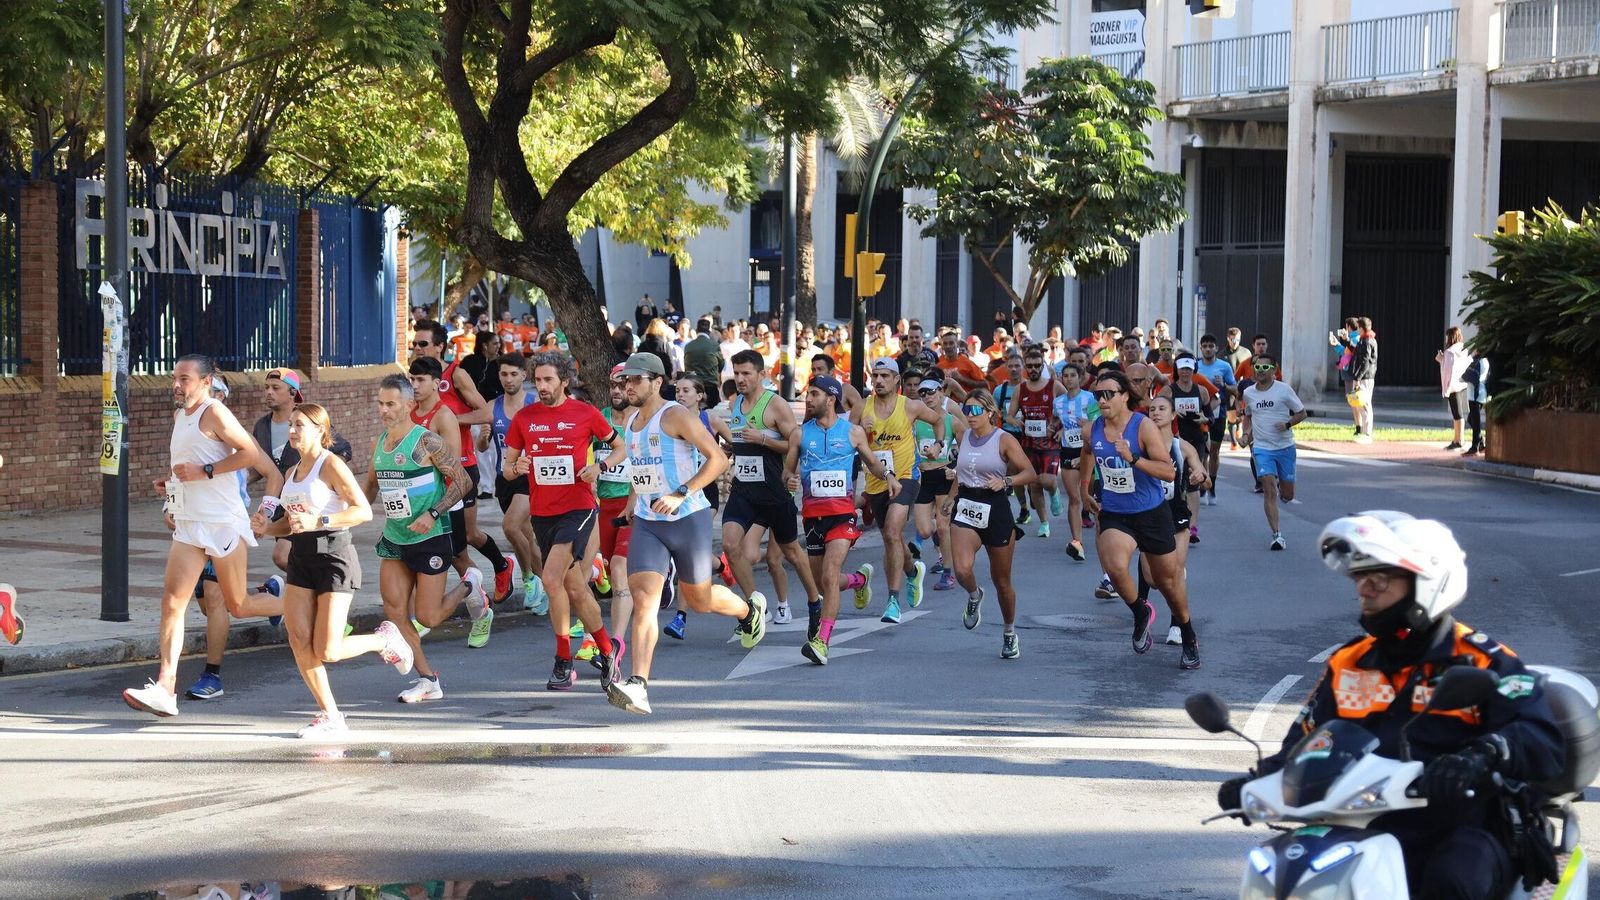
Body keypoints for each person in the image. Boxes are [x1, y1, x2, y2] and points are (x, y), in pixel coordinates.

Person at [1217, 511, 1565, 900]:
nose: (1364, 590)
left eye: (1378, 579)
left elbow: (1541, 739)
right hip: (1359, 824)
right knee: (1285, 872)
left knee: (1451, 880)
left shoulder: (1483, 661)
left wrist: (1482, 755)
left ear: (1427, 582)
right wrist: (1256, 781)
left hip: (1460, 825)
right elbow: (1303, 744)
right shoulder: (1348, 662)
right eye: (1359, 579)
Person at [607, 353, 767, 715]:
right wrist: (633, 502)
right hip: (648, 522)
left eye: (635, 380)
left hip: (687, 518)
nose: (627, 386)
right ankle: (638, 684)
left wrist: (681, 493)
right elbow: (640, 468)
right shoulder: (631, 421)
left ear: (656, 382)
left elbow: (718, 459)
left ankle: (748, 611)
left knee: (699, 600)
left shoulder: (676, 416)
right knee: (644, 599)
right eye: (624, 381)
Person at [124, 356, 274, 718]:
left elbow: (250, 454)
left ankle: (303, 604)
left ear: (206, 382)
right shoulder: (181, 415)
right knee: (172, 602)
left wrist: (206, 470)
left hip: (222, 522)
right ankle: (166, 687)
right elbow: (188, 466)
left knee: (239, 605)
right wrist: (171, 485)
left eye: (185, 379)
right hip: (190, 523)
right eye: (174, 378)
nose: (177, 385)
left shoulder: (215, 412)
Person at [247, 404, 407, 737]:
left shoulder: (330, 464)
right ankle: (330, 715)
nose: (292, 431)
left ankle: (383, 639)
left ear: (321, 430)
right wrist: (267, 528)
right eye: (291, 425)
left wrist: (318, 520)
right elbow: (289, 524)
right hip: (301, 560)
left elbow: (362, 510)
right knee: (297, 638)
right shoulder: (292, 473)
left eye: (300, 425)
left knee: (329, 650)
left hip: (334, 558)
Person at [504, 351, 626, 692]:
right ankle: (608, 650)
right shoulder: (525, 418)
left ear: (565, 381)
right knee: (575, 588)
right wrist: (517, 467)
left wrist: (599, 467)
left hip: (579, 508)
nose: (541, 386)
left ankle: (562, 659)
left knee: (550, 577)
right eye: (538, 380)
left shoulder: (585, 413)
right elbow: (507, 467)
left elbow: (621, 448)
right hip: (543, 513)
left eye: (548, 380)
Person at [362, 374, 487, 703]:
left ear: (409, 406)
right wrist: (354, 510)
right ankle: (427, 679)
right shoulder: (379, 443)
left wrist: (432, 512)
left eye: (391, 404)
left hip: (430, 536)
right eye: (380, 403)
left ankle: (469, 584)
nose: (384, 410)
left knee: (428, 617)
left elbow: (462, 481)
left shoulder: (426, 441)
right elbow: (371, 484)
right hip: (395, 538)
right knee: (394, 611)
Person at [1079, 370, 1191, 663]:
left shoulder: (1143, 427)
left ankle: (1188, 634)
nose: (1102, 400)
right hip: (1115, 512)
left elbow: (1168, 472)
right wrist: (1084, 487)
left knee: (1167, 583)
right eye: (1097, 395)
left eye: (1108, 394)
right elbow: (1087, 454)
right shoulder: (1092, 429)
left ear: (1125, 396)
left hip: (1151, 512)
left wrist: (1133, 458)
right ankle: (1141, 612)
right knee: (1115, 568)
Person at [784, 377, 896, 665]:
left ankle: (822, 641)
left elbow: (872, 463)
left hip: (842, 515)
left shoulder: (853, 433)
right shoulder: (799, 434)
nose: (808, 399)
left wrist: (889, 477)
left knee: (831, 573)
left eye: (814, 394)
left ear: (831, 398)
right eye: (808, 394)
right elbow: (787, 472)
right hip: (813, 517)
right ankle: (859, 580)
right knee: (824, 583)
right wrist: (790, 480)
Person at [412, 321, 515, 603]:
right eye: (414, 344)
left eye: (423, 344)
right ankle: (475, 597)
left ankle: (500, 567)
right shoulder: (416, 378)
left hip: (461, 466)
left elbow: (487, 413)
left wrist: (449, 420)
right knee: (451, 545)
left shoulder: (455, 375)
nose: (417, 348)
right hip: (429, 470)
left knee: (468, 536)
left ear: (439, 346)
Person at [711, 350, 810, 626]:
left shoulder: (776, 405)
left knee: (783, 556)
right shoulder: (736, 403)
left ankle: (807, 602)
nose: (740, 379)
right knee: (736, 548)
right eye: (736, 373)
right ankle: (757, 606)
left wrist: (763, 440)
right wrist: (733, 448)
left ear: (761, 375)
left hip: (776, 491)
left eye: (746, 373)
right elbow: (744, 442)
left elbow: (796, 444)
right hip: (747, 491)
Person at [851, 359, 945, 625]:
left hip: (905, 477)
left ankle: (893, 601)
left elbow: (938, 420)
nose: (878, 380)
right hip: (876, 481)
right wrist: (861, 431)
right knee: (891, 539)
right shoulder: (861, 407)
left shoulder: (910, 406)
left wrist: (938, 445)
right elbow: (846, 439)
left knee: (893, 531)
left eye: (885, 376)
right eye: (875, 376)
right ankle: (912, 571)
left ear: (896, 380)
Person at [950, 389, 1037, 659]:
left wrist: (1007, 481)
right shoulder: (964, 436)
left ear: (990, 413)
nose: (970, 415)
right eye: (967, 410)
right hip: (967, 503)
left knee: (1002, 581)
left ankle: (1009, 632)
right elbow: (962, 472)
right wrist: (951, 497)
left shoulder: (1003, 439)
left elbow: (1030, 473)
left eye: (976, 410)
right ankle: (974, 595)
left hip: (995, 506)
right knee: (962, 569)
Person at [477, 354, 547, 613]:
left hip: (530, 476)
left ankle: (528, 579)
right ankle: (545, 588)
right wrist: (483, 437)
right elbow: (481, 447)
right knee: (526, 536)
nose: (508, 379)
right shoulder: (492, 406)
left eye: (514, 374)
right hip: (504, 478)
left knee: (510, 526)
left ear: (523, 376)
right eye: (504, 374)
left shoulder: (534, 403)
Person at [1142, 395, 1208, 665]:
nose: (1156, 413)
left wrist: (1199, 476)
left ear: (1172, 416)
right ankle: (1148, 608)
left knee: (1174, 575)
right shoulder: (1141, 446)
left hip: (1177, 517)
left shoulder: (1182, 447)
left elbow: (1204, 477)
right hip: (1147, 517)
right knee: (1153, 579)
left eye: (1162, 409)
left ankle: (1177, 625)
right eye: (1152, 409)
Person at [1240, 352, 1306, 551]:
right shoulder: (1249, 393)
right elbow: (1248, 416)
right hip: (1262, 448)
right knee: (1268, 487)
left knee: (1287, 494)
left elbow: (1302, 413)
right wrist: (1245, 434)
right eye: (1257, 367)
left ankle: (1283, 487)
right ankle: (1277, 535)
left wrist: (1287, 424)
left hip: (1285, 447)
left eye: (1264, 367)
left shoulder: (1284, 390)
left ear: (1274, 369)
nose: (1259, 371)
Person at [912, 373, 964, 591]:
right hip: (924, 478)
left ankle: (948, 574)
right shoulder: (916, 421)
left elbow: (968, 450)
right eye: (922, 394)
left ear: (941, 393)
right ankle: (943, 534)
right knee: (924, 530)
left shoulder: (952, 421)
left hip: (944, 476)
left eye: (931, 392)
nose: (927, 397)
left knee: (943, 527)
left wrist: (956, 470)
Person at [1005, 346, 1060, 537]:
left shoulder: (1053, 385)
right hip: (1029, 443)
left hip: (1050, 443)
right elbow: (1009, 415)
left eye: (1037, 365)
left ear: (1042, 366)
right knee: (1034, 484)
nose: (1033, 369)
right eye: (1030, 366)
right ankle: (1044, 523)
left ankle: (1054, 492)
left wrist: (1058, 426)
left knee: (1048, 481)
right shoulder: (1020, 389)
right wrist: (1015, 421)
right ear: (1025, 368)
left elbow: (1068, 407)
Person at [1052, 363, 1097, 562]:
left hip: (1089, 450)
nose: (1069, 379)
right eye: (1066, 376)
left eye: (1073, 375)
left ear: (1080, 378)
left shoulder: (1090, 398)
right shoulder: (1058, 402)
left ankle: (1105, 536)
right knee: (1074, 498)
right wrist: (1056, 428)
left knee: (1091, 497)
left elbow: (1099, 422)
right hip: (1069, 450)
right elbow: (1057, 420)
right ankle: (1077, 542)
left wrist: (1088, 424)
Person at [1191, 335, 1238, 505]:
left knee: (1214, 451)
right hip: (1201, 412)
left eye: (1211, 346)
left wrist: (1224, 385)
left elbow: (1235, 389)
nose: (1208, 349)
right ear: (1200, 348)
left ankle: (1212, 486)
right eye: (1205, 346)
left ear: (1216, 348)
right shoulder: (1195, 366)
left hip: (1219, 411)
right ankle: (1203, 487)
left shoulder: (1224, 366)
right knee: (1203, 450)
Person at [1436, 326, 1473, 451]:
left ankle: (1458, 440)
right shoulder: (1463, 349)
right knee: (1459, 413)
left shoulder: (1449, 352)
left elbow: (1448, 371)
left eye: (1447, 336)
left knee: (1456, 414)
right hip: (1462, 384)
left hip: (1452, 386)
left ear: (1450, 337)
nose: (1446, 338)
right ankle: (1458, 439)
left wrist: (1441, 359)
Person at [1347, 318, 1378, 443]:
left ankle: (1367, 434)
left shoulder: (1367, 341)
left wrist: (1357, 377)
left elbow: (1365, 362)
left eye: (1358, 328)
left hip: (1365, 377)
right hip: (1366, 376)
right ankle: (1366, 432)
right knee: (1363, 405)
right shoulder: (1366, 339)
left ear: (1361, 328)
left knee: (1364, 405)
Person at [936, 329, 988, 398]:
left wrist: (963, 379)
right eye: (945, 343)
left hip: (964, 402)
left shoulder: (967, 363)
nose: (948, 346)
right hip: (943, 402)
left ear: (957, 344)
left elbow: (985, 384)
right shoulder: (938, 365)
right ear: (942, 346)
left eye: (951, 343)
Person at [681, 318, 723, 391]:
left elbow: (686, 366)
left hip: (693, 385)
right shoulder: (714, 345)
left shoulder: (688, 346)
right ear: (709, 332)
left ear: (697, 330)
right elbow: (721, 365)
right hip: (710, 385)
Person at [1462, 352, 1489, 456]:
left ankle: (1475, 447)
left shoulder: (1478, 362)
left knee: (1475, 421)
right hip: (1479, 394)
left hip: (1475, 395)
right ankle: (1480, 443)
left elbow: (1468, 375)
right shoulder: (1484, 361)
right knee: (1471, 419)